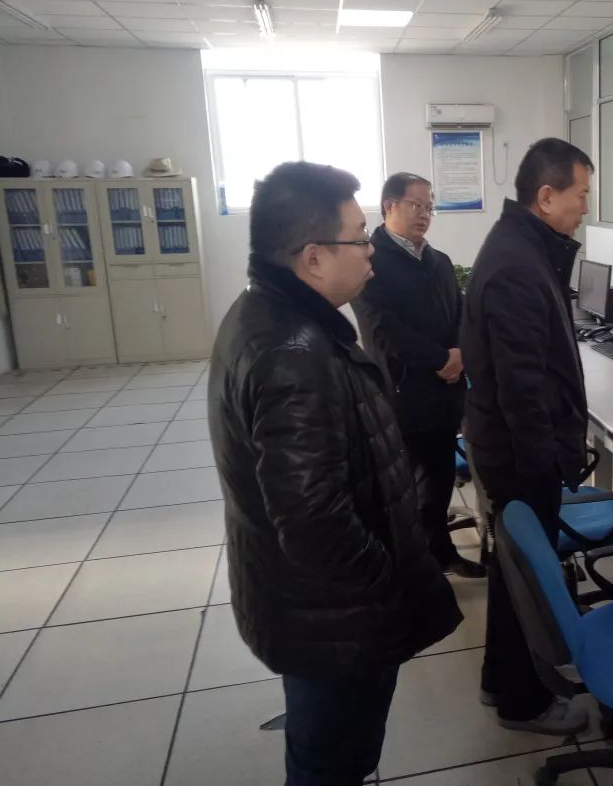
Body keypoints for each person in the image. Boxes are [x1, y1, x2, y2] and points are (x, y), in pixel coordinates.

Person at [208, 162, 462, 785]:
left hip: (308, 607)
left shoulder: (266, 315)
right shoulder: (293, 356)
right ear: (314, 257)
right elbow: (314, 522)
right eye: (359, 237)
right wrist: (386, 586)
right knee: (332, 761)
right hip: (335, 620)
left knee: (325, 749)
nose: (371, 249)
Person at [460, 138, 594, 735]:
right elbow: (522, 386)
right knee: (528, 580)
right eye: (580, 195)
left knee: (512, 571)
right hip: (520, 455)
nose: (584, 207)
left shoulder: (523, 247)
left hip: (509, 447)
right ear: (546, 197)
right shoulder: (519, 264)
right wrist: (544, 465)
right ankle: (524, 701)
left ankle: (499, 681)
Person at [354, 172, 485, 578]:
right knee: (404, 489)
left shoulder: (438, 261)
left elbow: (460, 315)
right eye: (416, 205)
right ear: (389, 206)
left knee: (439, 479)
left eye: (430, 207)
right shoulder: (370, 262)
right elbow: (382, 330)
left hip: (444, 392)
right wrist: (440, 359)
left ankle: (441, 553)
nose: (425, 214)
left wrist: (460, 354)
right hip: (402, 392)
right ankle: (409, 566)